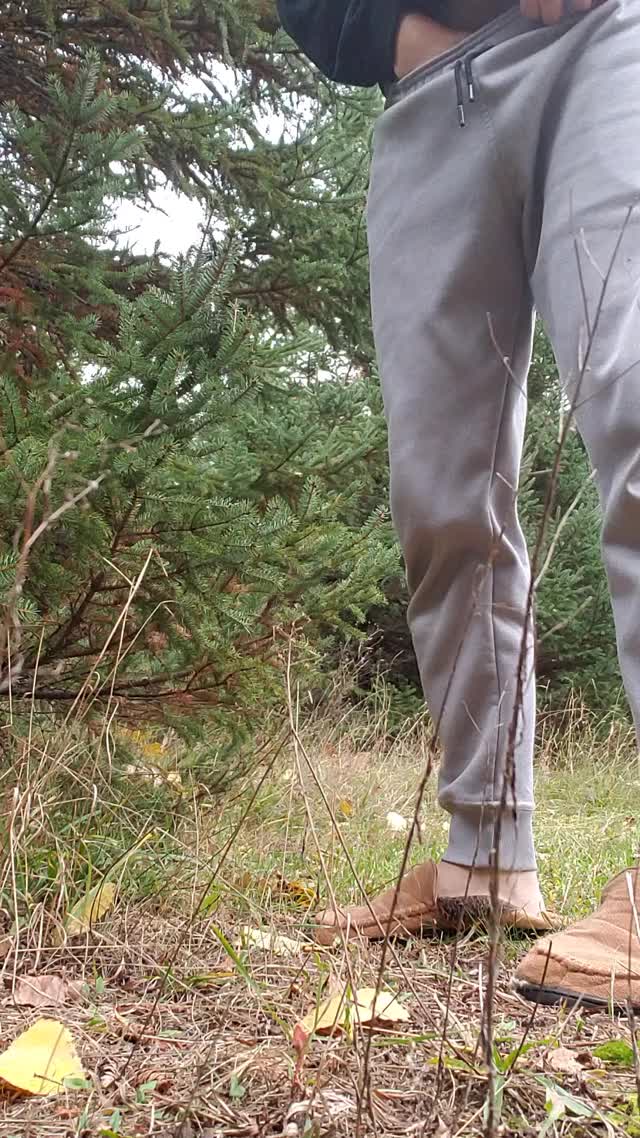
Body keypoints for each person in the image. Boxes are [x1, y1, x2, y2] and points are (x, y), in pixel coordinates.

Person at [276, 0, 640, 1011]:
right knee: (440, 497)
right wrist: (389, 34)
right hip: (434, 93)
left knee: (634, 395)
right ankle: (483, 853)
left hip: (606, 38)